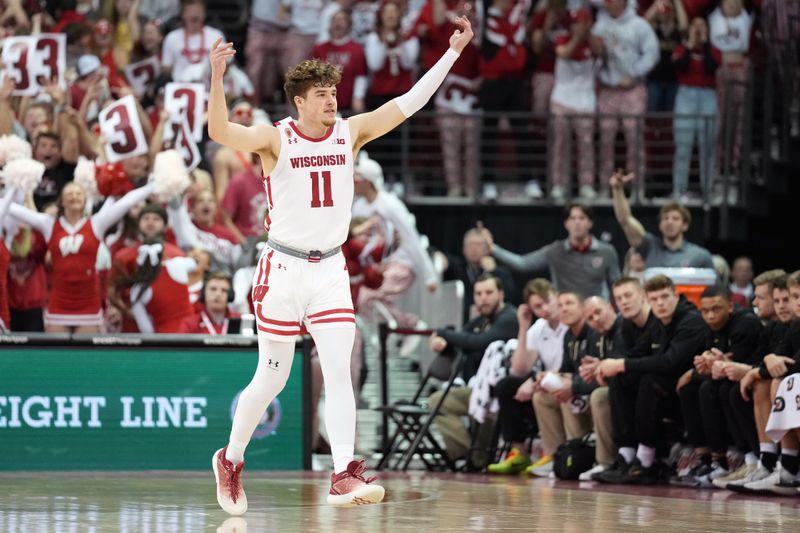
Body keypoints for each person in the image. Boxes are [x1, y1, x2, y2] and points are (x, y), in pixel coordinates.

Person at [206, 14, 475, 512]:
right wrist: (218, 78)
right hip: (283, 269)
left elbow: (410, 103)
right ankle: (232, 457)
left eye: (334, 90)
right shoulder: (275, 138)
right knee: (273, 377)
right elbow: (219, 130)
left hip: (330, 270)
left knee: (339, 372)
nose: (332, 99)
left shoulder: (350, 133)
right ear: (300, 101)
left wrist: (454, 53)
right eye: (322, 93)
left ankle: (343, 473)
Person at [594, 274, 708, 484]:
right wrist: (606, 367)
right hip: (670, 386)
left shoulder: (690, 319)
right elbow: (638, 352)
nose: (660, 303)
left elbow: (670, 362)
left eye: (665, 297)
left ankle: (646, 461)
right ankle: (627, 453)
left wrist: (621, 364)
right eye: (654, 299)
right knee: (620, 379)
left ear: (676, 295)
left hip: (693, 387)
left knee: (649, 380)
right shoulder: (658, 322)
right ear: (648, 299)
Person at [2, 181, 155, 333]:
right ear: (62, 201)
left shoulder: (96, 223)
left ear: (84, 200)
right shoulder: (49, 224)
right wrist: (14, 183)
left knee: (86, 356)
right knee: (57, 355)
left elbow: (126, 203)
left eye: (78, 194)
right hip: (59, 303)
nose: (74, 197)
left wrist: (152, 186)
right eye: (69, 194)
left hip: (88, 302)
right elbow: (13, 209)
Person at [427, 273, 519, 468]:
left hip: (499, 394)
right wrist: (444, 343)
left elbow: (478, 342)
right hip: (476, 390)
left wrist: (442, 333)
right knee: (437, 401)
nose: (483, 298)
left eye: (488, 292)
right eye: (478, 293)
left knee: (483, 408)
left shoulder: (510, 318)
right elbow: (461, 337)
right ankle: (466, 453)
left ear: (501, 294)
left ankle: (475, 458)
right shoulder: (481, 320)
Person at [487, 278, 566, 475]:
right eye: (538, 306)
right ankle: (518, 452)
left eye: (548, 300)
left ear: (556, 296)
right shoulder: (539, 327)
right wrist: (523, 326)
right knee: (507, 385)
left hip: (565, 381)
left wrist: (534, 382)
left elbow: (571, 364)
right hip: (545, 383)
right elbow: (519, 369)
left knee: (535, 387)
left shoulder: (569, 320)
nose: (545, 308)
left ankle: (554, 454)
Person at [481, 202, 621, 300]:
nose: (577, 222)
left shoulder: (606, 251)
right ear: (566, 224)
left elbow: (617, 285)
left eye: (582, 218)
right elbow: (522, 263)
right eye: (572, 218)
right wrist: (493, 248)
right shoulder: (555, 251)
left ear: (590, 223)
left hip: (596, 314)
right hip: (565, 314)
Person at [611, 171, 714, 269]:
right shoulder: (649, 247)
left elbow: (714, 286)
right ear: (660, 225)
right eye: (665, 218)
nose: (669, 222)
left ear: (685, 225)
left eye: (675, 218)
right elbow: (625, 220)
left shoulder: (700, 256)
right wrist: (617, 190)